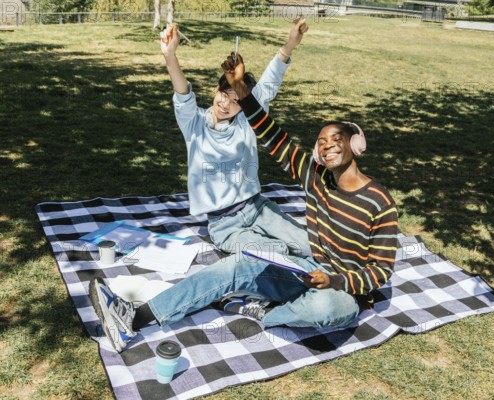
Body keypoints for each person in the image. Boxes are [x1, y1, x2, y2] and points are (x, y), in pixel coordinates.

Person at [89, 53, 399, 353]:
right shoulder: (314, 178)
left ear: (355, 146)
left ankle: (263, 313)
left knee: (329, 306)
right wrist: (239, 87)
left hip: (342, 290)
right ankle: (134, 316)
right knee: (237, 264)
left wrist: (334, 280)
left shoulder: (378, 200)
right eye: (322, 142)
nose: (328, 147)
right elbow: (271, 134)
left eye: (337, 140)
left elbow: (381, 271)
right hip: (304, 270)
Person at [161, 19, 311, 257]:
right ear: (215, 90)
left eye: (235, 101)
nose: (226, 104)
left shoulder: (246, 121)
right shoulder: (194, 123)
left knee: (309, 247)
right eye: (223, 95)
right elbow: (182, 91)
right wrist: (170, 55)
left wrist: (290, 43)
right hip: (224, 226)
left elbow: (269, 83)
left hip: (258, 208)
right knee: (277, 253)